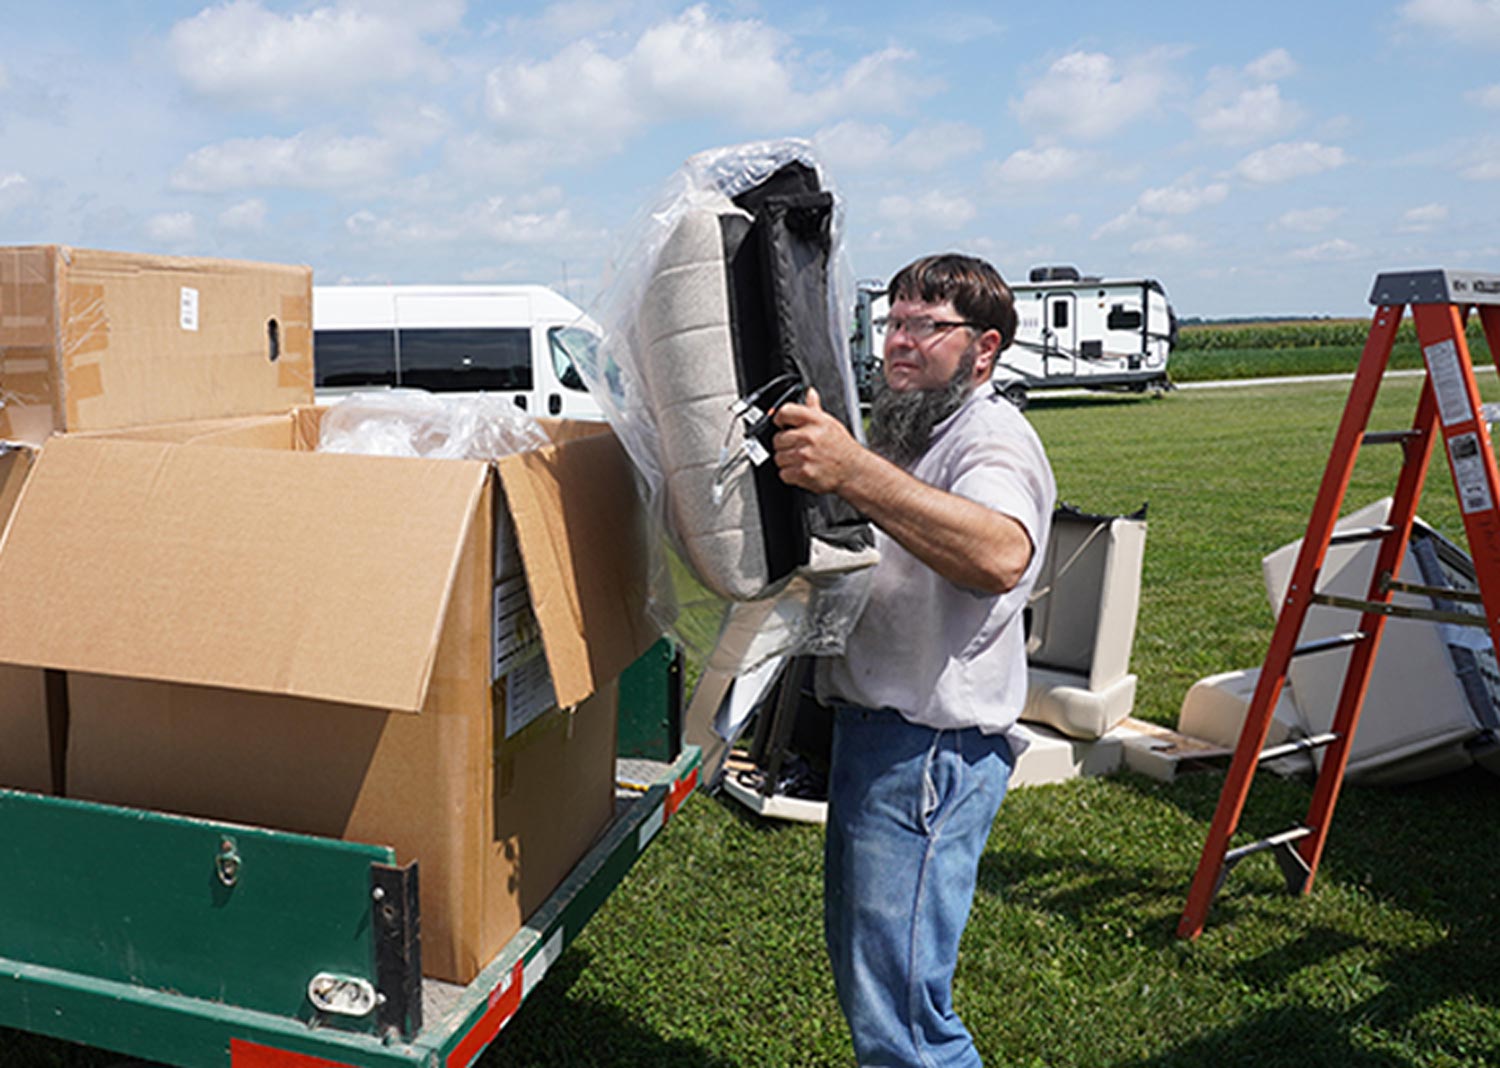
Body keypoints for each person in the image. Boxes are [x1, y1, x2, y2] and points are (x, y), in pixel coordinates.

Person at [772, 253, 1056, 1067]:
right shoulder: (914, 425)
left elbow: (1003, 553)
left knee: (905, 1021)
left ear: (985, 348)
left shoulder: (991, 436)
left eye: (926, 327)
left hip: (929, 753)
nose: (899, 342)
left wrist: (855, 472)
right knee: (879, 986)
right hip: (882, 738)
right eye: (892, 322)